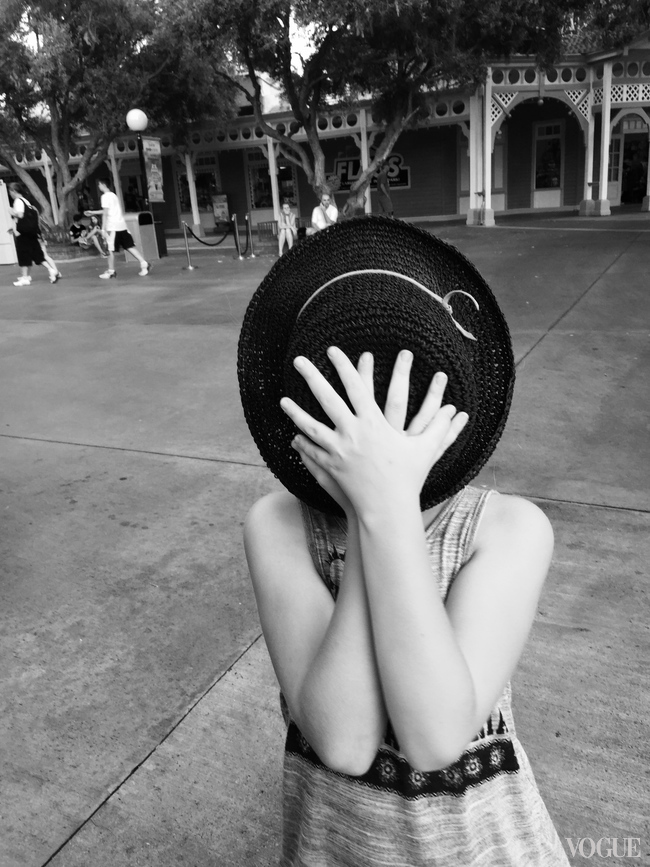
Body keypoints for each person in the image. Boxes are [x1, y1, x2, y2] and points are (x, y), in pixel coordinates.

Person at [237, 217, 570, 866]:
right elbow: (343, 739)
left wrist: (387, 503)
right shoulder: (278, 525)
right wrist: (374, 506)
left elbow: (436, 737)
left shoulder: (508, 530)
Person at [85, 179, 151, 279]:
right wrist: (93, 212)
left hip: (112, 227)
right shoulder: (114, 195)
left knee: (109, 249)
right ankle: (144, 263)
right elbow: (108, 210)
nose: (98, 186)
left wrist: (103, 228)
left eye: (99, 184)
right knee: (129, 246)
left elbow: (106, 213)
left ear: (103, 184)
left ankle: (111, 271)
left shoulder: (104, 197)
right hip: (122, 225)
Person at [7, 182, 60, 286]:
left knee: (23, 255)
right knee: (37, 254)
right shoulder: (26, 201)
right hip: (32, 232)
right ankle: (51, 270)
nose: (10, 194)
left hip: (23, 233)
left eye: (10, 192)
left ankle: (25, 278)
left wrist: (11, 211)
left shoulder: (18, 201)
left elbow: (20, 215)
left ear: (14, 191)